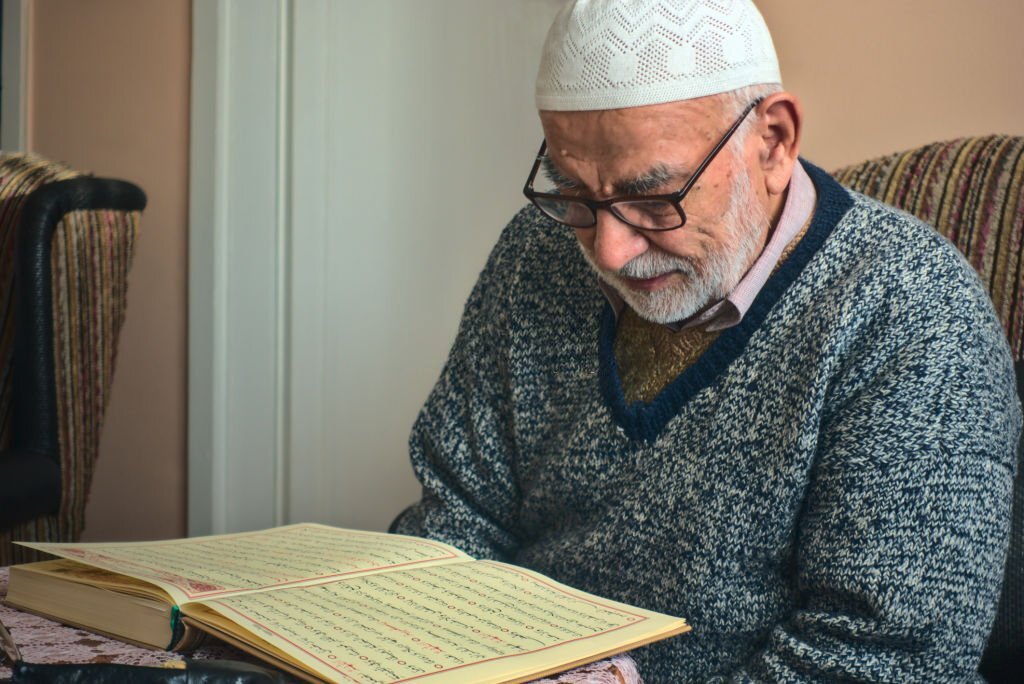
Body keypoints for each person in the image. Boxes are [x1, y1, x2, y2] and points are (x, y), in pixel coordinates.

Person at [391, 0, 1021, 680]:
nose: (609, 249)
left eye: (655, 197)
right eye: (575, 192)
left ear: (774, 141)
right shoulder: (536, 253)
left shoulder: (908, 308)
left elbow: (880, 664)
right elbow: (453, 521)